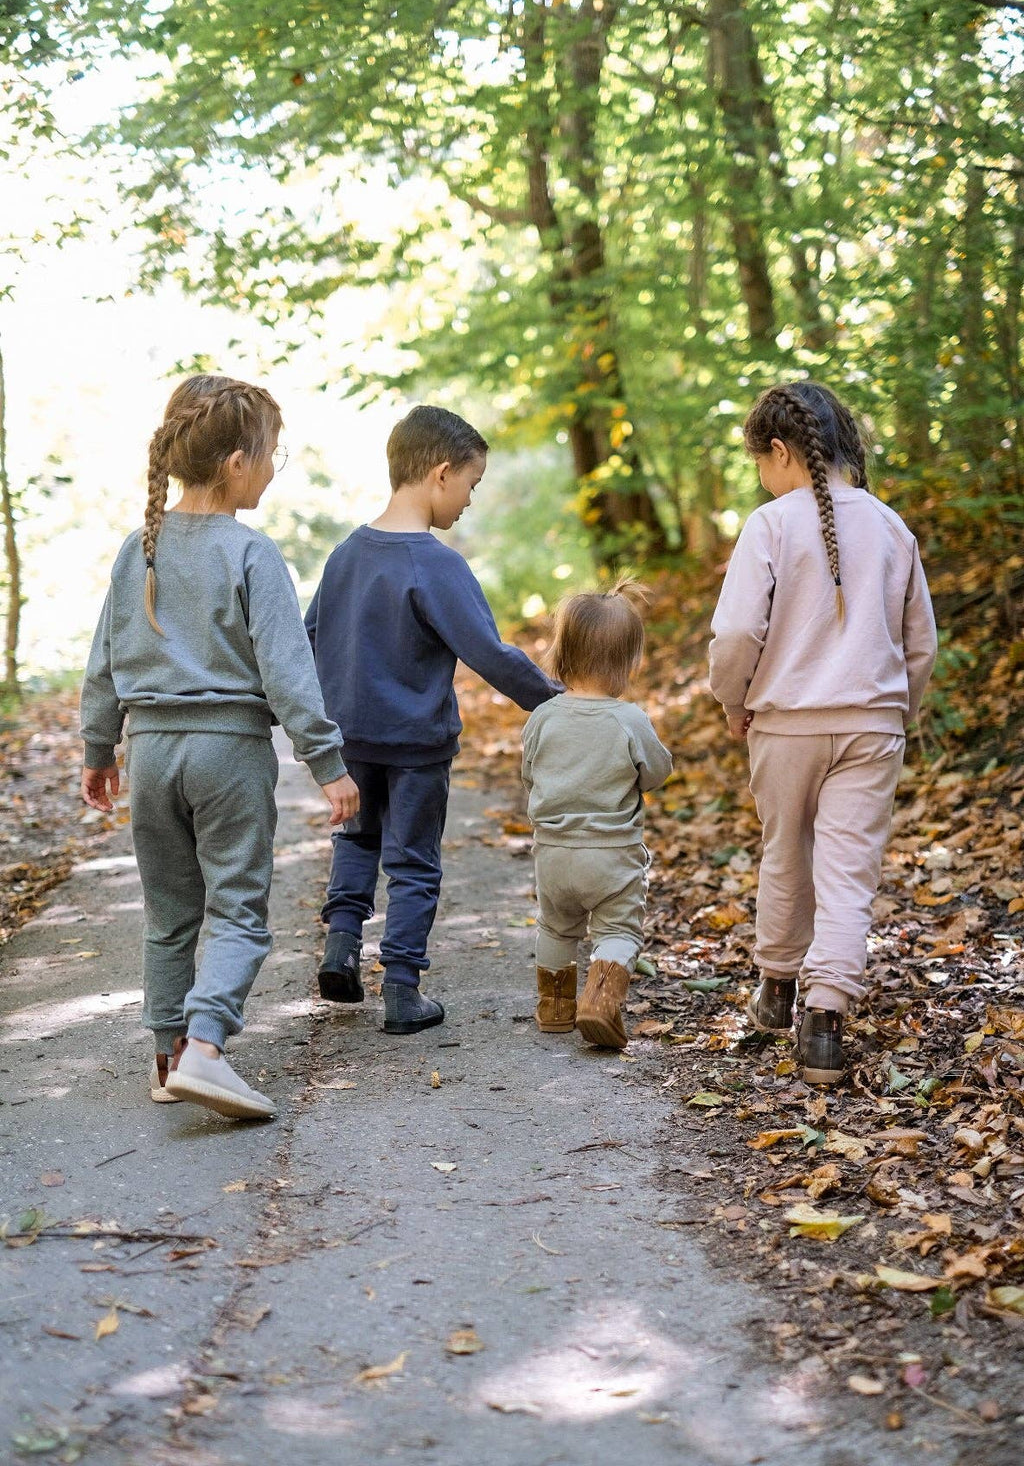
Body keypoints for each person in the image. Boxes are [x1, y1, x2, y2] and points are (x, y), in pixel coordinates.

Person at [80, 375, 359, 1122]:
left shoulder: (137, 548)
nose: (274, 467)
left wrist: (97, 748)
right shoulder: (250, 551)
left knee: (169, 913)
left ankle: (168, 1054)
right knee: (237, 910)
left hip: (148, 757)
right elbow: (287, 670)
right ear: (237, 461)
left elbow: (104, 658)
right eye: (272, 454)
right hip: (227, 753)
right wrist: (326, 762)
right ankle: (207, 1048)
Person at [709, 381, 937, 1085]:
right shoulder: (893, 528)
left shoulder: (770, 525)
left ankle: (777, 988)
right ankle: (824, 1025)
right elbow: (920, 643)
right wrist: (902, 711)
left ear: (780, 452)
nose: (762, 479)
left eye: (759, 464)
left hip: (784, 724)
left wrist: (732, 700)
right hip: (871, 724)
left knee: (786, 853)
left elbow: (737, 631)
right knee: (849, 872)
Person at [305, 403, 558, 1035]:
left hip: (350, 739)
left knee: (357, 840)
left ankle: (340, 948)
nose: (470, 501)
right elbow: (489, 654)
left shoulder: (345, 555)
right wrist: (557, 700)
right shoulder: (437, 564)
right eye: (471, 484)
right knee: (413, 861)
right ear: (441, 474)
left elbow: (309, 637)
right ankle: (401, 989)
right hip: (417, 744)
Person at [521, 581, 673, 1050]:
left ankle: (554, 1009)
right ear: (630, 662)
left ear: (561, 656)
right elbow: (656, 773)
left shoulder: (542, 717)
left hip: (554, 853)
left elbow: (529, 772)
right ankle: (600, 1002)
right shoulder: (630, 720)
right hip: (612, 854)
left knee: (555, 927)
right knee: (618, 930)